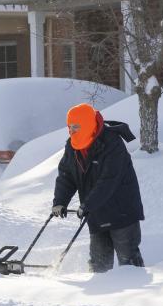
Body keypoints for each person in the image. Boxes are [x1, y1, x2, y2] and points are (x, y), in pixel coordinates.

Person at [52, 103, 145, 273]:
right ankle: (101, 294)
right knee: (98, 265)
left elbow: (108, 180)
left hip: (122, 212)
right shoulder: (72, 147)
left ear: (87, 124)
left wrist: (87, 205)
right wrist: (60, 202)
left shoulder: (112, 143)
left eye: (76, 127)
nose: (71, 131)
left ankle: (136, 294)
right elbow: (66, 175)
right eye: (69, 127)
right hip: (95, 213)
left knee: (129, 261)